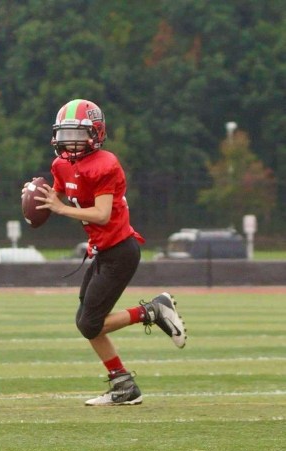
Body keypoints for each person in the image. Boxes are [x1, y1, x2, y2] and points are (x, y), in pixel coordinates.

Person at [23, 98, 187, 405]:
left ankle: (152, 310)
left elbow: (100, 213)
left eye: (77, 134)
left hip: (120, 252)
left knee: (90, 324)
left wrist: (58, 208)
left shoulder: (105, 165)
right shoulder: (60, 165)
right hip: (102, 252)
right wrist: (37, 195)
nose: (69, 143)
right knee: (85, 321)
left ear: (95, 134)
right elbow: (55, 194)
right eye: (65, 134)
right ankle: (123, 385)